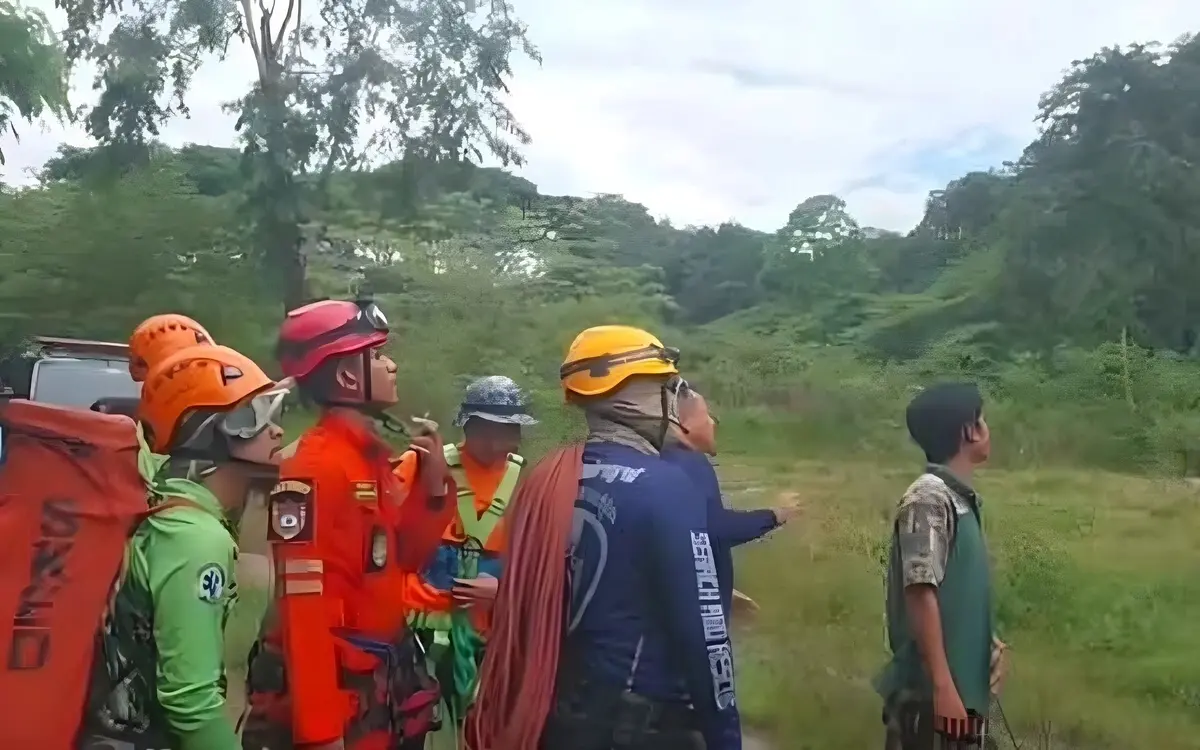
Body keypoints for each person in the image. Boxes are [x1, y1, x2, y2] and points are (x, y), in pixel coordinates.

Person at [466, 325, 741, 750]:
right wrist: (726, 737)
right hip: (640, 724)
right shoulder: (666, 486)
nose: (677, 399)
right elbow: (704, 635)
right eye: (671, 386)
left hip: (557, 711)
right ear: (637, 396)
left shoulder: (545, 478)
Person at [241, 297, 457, 750]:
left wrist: (434, 488)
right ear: (345, 376)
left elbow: (405, 561)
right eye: (377, 356)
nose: (391, 365)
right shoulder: (314, 469)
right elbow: (304, 610)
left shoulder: (368, 459)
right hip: (341, 710)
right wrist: (321, 735)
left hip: (379, 696)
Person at [79, 343, 288, 750]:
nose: (278, 430)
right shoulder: (195, 539)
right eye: (260, 418)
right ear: (213, 430)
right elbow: (189, 701)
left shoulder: (171, 510)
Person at [396, 375, 536, 731]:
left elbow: (536, 561)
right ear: (468, 427)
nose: (496, 442)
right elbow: (383, 533)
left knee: (483, 726)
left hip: (488, 634)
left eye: (506, 431)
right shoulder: (425, 463)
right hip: (421, 628)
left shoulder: (525, 482)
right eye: (486, 430)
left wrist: (506, 594)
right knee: (415, 724)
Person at [875, 382, 1009, 750]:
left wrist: (987, 643)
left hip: (959, 694)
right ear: (970, 430)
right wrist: (943, 688)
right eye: (981, 418)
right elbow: (920, 591)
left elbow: (954, 591)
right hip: (934, 700)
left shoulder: (957, 498)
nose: (987, 427)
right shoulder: (928, 496)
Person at [662, 384, 801, 621]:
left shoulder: (667, 461)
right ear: (682, 423)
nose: (712, 423)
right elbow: (713, 529)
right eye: (706, 416)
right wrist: (776, 515)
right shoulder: (689, 464)